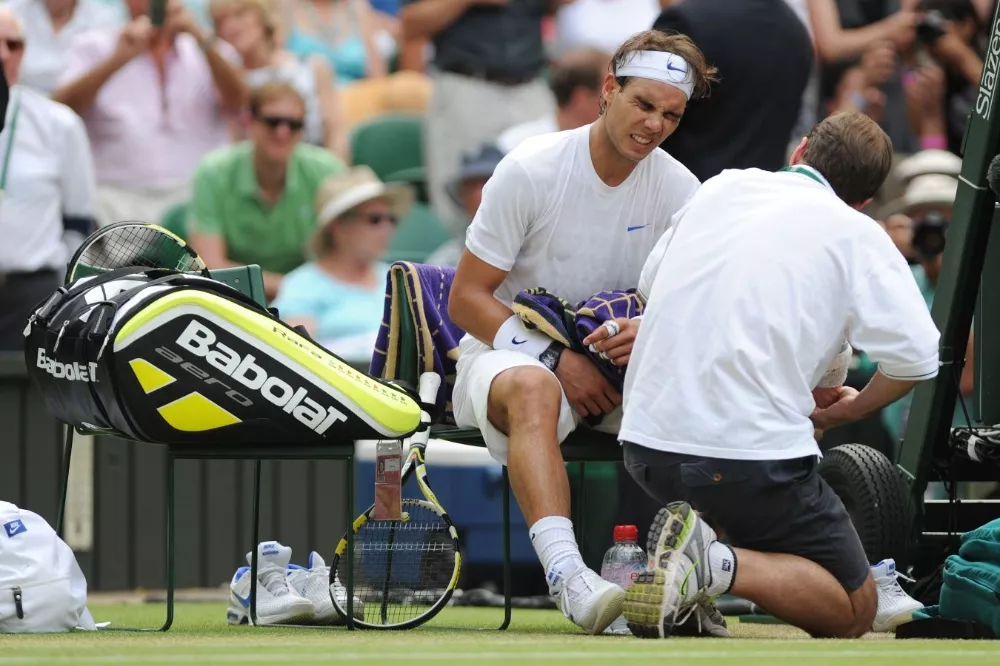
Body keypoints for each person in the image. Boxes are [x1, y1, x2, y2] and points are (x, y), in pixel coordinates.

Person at [617, 111, 940, 639]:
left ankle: (691, 583)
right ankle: (709, 563)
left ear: (801, 150)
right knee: (855, 609)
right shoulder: (857, 231)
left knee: (741, 481)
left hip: (644, 450)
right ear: (864, 201)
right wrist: (846, 410)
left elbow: (651, 290)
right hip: (744, 463)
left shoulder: (721, 188)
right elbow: (918, 360)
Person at [446, 29, 715, 635]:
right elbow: (466, 300)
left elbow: (691, 309)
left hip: (619, 377)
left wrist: (650, 331)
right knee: (534, 387)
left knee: (708, 394)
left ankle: (691, 579)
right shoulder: (530, 169)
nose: (654, 125)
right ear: (608, 89)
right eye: (643, 104)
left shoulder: (683, 191)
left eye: (671, 115)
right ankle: (567, 575)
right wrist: (556, 359)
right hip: (505, 358)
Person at [187, 82, 346, 300]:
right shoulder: (213, 174)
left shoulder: (327, 171)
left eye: (294, 124)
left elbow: (347, 253)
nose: (282, 132)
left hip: (314, 300)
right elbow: (211, 267)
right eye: (273, 122)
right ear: (249, 121)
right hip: (235, 299)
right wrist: (292, 288)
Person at [0, 6, 98, 349]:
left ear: (24, 52)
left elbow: (79, 220)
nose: (2, 55)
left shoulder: (59, 123)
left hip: (32, 290)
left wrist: (63, 294)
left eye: (13, 45)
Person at [271, 165, 411, 364]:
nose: (386, 228)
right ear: (339, 226)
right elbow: (296, 358)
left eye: (391, 219)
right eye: (375, 219)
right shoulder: (301, 286)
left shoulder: (399, 277)